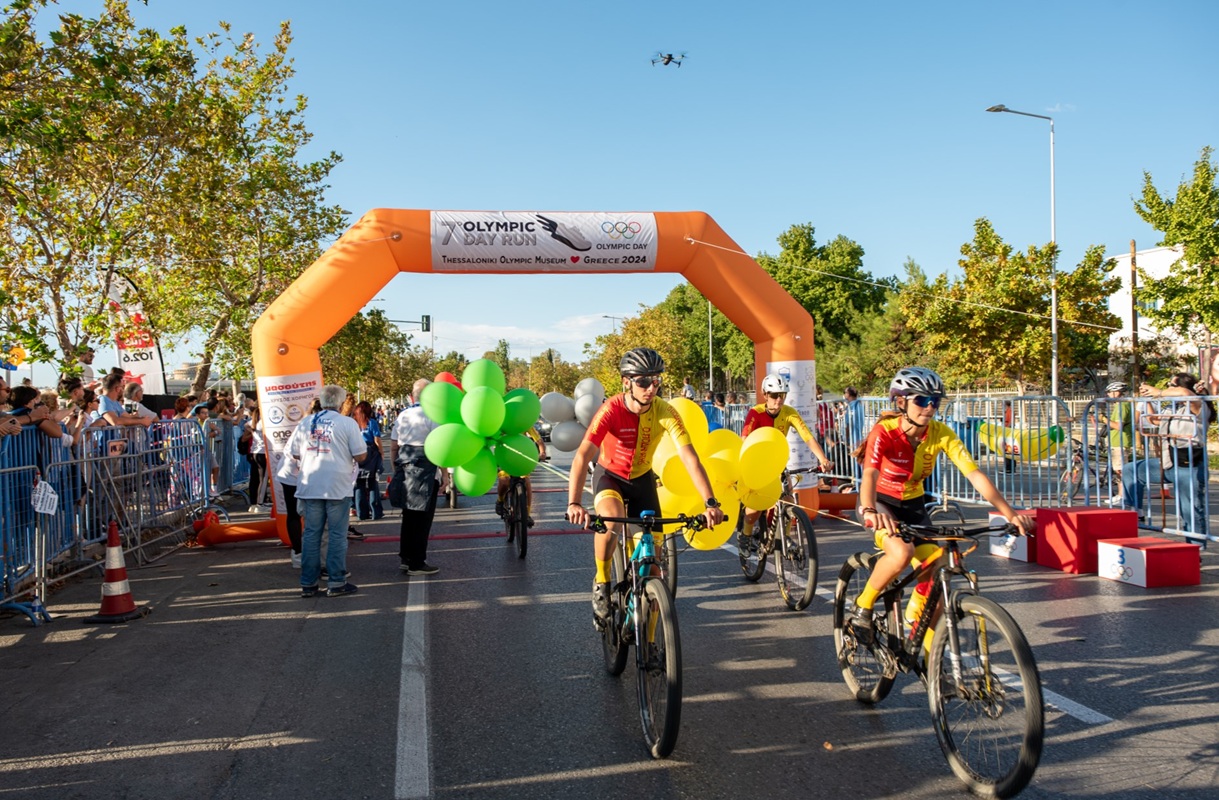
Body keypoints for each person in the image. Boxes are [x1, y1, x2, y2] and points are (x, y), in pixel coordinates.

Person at [848, 367, 1034, 646]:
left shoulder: (940, 433)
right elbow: (870, 475)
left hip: (914, 505)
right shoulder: (884, 432)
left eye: (936, 401)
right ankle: (863, 606)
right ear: (902, 402)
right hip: (880, 502)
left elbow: (974, 474)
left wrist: (1011, 515)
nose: (930, 407)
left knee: (936, 572)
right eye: (922, 400)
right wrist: (870, 510)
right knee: (901, 552)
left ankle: (925, 653)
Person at [566, 348, 725, 624]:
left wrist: (710, 503)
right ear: (626, 381)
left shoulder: (665, 411)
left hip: (643, 481)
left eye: (656, 381)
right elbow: (582, 455)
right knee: (611, 522)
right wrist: (575, 503)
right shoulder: (611, 410)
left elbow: (689, 458)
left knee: (653, 569)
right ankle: (602, 582)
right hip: (610, 477)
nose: (651, 388)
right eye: (643, 381)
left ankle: (652, 653)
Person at [284, 384, 366, 597]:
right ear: (340, 403)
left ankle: (308, 584)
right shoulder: (347, 423)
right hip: (337, 486)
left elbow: (294, 453)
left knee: (311, 535)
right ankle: (336, 582)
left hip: (310, 484)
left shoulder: (305, 422)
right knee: (337, 535)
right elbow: (360, 455)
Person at [738, 373, 834, 540]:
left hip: (777, 463)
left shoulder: (789, 413)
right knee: (755, 509)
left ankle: (785, 537)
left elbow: (808, 437)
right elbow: (744, 440)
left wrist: (822, 459)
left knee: (789, 499)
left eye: (782, 395)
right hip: (757, 464)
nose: (779, 400)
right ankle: (745, 536)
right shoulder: (756, 413)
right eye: (775, 395)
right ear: (765, 395)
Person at [1123, 374, 1213, 544]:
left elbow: (1186, 394)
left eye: (1172, 385)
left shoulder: (1198, 405)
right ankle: (1137, 514)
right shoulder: (1173, 407)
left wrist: (1159, 391)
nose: (1169, 389)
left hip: (1189, 466)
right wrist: (1147, 400)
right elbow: (1154, 420)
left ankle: (1196, 549)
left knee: (1190, 511)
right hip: (1168, 462)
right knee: (1131, 470)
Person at [391, 378, 451, 575]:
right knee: (423, 518)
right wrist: (444, 474)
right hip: (424, 469)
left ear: (412, 396)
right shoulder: (433, 415)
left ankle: (406, 557)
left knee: (408, 516)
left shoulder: (403, 415)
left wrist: (395, 469)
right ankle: (417, 562)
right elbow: (437, 446)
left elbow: (394, 446)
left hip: (405, 465)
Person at [495, 423, 547, 526]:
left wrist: (542, 452)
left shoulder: (525, 424)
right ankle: (500, 501)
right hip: (505, 459)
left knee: (526, 482)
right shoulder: (502, 424)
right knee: (504, 481)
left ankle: (527, 514)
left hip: (521, 460)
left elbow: (539, 441)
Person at [1095, 381, 1133, 504]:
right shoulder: (1120, 405)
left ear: (1117, 392)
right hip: (1116, 441)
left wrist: (1103, 418)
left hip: (1120, 442)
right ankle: (1121, 495)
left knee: (1120, 470)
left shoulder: (1122, 405)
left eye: (1110, 392)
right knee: (1118, 470)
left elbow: (1118, 426)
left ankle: (1123, 496)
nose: (1108, 395)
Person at [352, 400, 385, 522]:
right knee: (372, 482)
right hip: (371, 453)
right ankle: (376, 512)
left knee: (359, 483)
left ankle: (361, 512)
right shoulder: (372, 423)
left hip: (357, 452)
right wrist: (381, 453)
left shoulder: (354, 424)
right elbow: (377, 440)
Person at [244, 405, 268, 512]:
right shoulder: (263, 422)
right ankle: (259, 503)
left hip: (255, 452)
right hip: (262, 452)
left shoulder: (255, 421)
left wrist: (252, 431)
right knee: (262, 479)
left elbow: (246, 425)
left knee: (255, 479)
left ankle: (253, 503)